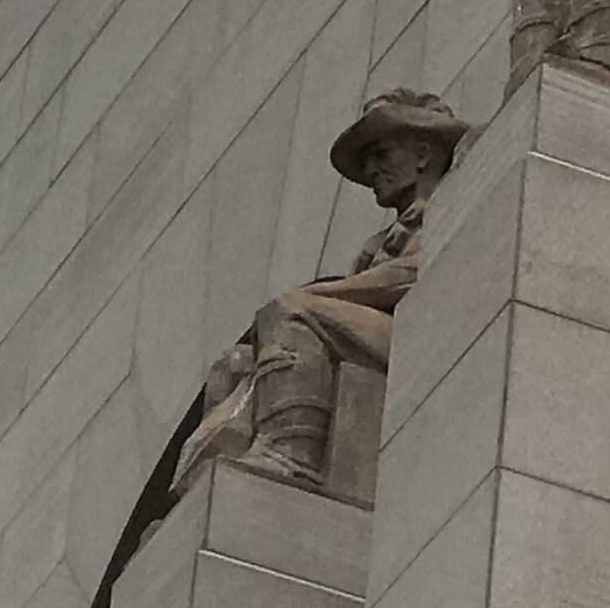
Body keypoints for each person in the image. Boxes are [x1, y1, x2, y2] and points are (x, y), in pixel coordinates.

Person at [177, 90, 465, 501]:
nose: (371, 169)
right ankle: (204, 478)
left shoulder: (450, 200)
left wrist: (315, 294)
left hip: (423, 337)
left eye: (380, 154)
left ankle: (292, 454)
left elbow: (410, 274)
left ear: (422, 154)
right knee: (233, 363)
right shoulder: (377, 242)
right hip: (376, 336)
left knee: (293, 311)